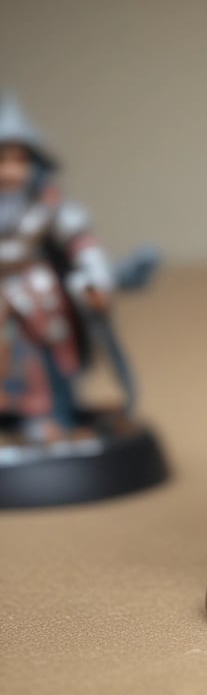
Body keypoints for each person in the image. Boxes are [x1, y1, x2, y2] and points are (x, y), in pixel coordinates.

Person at [0, 92, 115, 444]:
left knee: (45, 359)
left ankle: (52, 418)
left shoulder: (48, 207)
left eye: (19, 161)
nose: (10, 171)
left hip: (37, 296)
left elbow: (81, 243)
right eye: (2, 161)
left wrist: (94, 280)